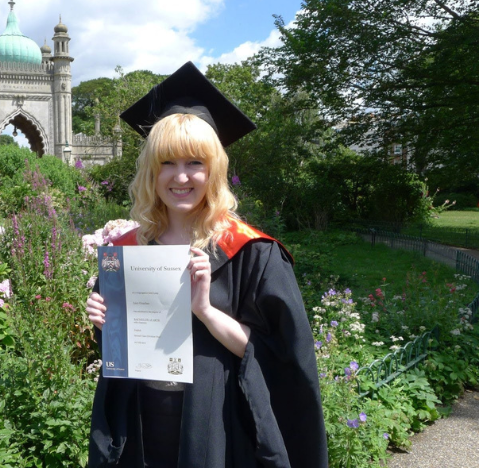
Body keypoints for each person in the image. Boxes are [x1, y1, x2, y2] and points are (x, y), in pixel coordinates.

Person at [86, 62, 327, 468]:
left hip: (218, 426)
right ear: (151, 170)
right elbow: (119, 353)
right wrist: (106, 324)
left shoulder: (252, 252)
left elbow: (284, 356)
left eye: (194, 163)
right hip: (141, 426)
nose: (180, 177)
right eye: (166, 162)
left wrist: (207, 312)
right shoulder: (128, 250)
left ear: (214, 169)